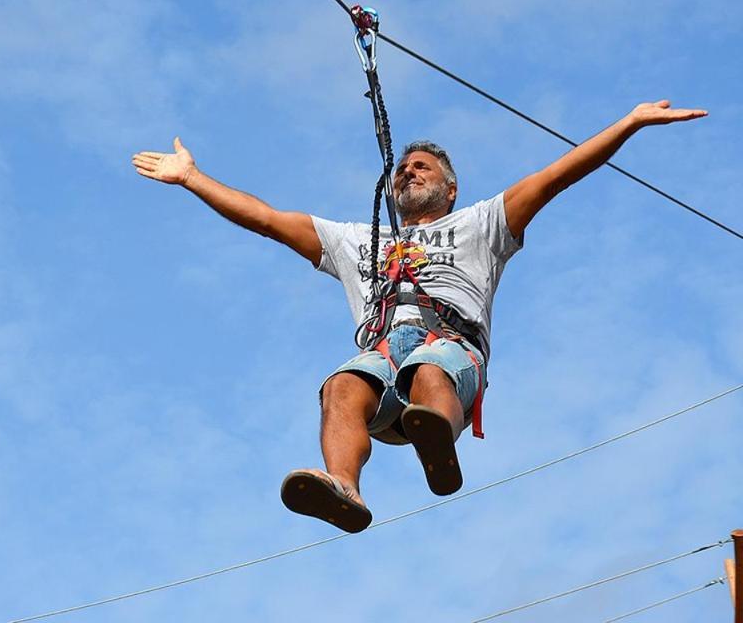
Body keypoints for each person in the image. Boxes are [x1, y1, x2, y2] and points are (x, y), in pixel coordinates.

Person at [131, 100, 706, 533]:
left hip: (451, 346)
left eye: (423, 166)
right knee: (341, 385)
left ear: (450, 188)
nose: (409, 171)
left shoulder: (483, 224)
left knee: (428, 367)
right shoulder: (358, 240)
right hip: (384, 353)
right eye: (403, 167)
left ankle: (437, 435)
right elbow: (266, 218)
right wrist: (192, 178)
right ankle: (345, 489)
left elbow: (559, 173)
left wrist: (628, 124)